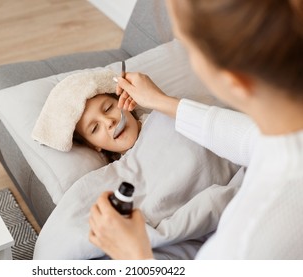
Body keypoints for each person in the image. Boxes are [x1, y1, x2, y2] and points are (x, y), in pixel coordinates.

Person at [89, 0, 303, 259]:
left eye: (188, 50)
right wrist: (161, 101)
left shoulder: (250, 240)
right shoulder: (283, 134)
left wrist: (135, 255)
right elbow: (252, 140)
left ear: (234, 80)